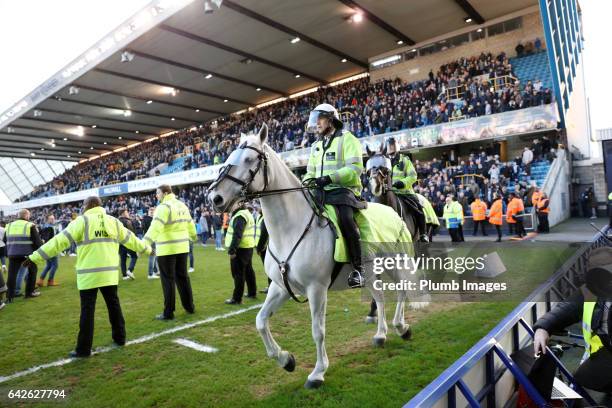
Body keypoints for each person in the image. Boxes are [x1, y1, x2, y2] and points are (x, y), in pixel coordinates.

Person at [23, 196, 151, 358]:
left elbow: (58, 242)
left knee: (87, 311)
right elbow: (131, 240)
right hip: (109, 274)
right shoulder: (113, 221)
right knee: (114, 307)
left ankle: (83, 349)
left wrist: (34, 257)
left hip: (88, 275)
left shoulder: (81, 221)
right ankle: (120, 338)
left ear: (86, 206)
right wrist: (147, 249)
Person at [303, 103, 366, 288]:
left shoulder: (348, 139)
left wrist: (329, 178)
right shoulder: (316, 145)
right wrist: (307, 182)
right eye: (316, 120)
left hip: (343, 191)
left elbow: (355, 169)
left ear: (331, 119)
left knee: (346, 219)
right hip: (320, 191)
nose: (317, 124)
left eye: (320, 119)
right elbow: (310, 172)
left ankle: (359, 269)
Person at [533, 247, 612, 393]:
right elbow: (566, 308)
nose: (599, 274)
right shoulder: (591, 289)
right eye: (594, 269)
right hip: (605, 354)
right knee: (581, 378)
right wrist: (543, 327)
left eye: (604, 267)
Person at [144, 184, 197, 321]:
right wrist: (194, 237)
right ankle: (189, 307)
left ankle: (168, 312)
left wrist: (144, 243)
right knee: (183, 278)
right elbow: (190, 224)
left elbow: (155, 227)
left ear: (165, 193)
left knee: (168, 280)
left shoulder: (163, 207)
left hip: (167, 249)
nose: (157, 195)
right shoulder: (182, 205)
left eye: (158, 193)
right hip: (182, 248)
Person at [387, 139, 428, 242]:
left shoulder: (405, 160)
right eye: (389, 146)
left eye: (392, 146)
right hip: (389, 193)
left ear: (396, 147)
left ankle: (423, 234)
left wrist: (403, 183)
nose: (391, 148)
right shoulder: (385, 162)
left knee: (419, 209)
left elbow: (413, 176)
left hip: (405, 193)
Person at [4, 208, 42, 302]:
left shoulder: (9, 226)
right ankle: (29, 292)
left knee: (12, 275)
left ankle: (9, 297)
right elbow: (37, 242)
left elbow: (5, 240)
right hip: (27, 254)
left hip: (12, 253)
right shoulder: (30, 225)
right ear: (26, 215)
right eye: (29, 215)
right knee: (32, 271)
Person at [224, 202, 257, 304]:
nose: (230, 206)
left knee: (238, 274)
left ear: (239, 205)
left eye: (232, 204)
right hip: (248, 247)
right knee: (248, 271)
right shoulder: (247, 213)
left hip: (240, 248)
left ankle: (237, 298)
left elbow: (237, 235)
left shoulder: (240, 216)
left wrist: (232, 250)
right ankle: (252, 292)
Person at [37, 214, 60, 286]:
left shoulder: (44, 226)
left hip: (46, 248)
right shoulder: (49, 228)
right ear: (47, 219)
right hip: (51, 248)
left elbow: (40, 236)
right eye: (51, 219)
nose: (53, 220)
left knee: (49, 265)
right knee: (55, 265)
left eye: (53, 218)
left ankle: (40, 280)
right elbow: (47, 238)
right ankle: (50, 281)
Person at [118, 209, 138, 281]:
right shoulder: (128, 221)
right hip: (128, 242)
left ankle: (124, 276)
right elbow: (132, 232)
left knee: (123, 259)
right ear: (123, 213)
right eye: (126, 212)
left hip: (120, 243)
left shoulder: (116, 221)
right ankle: (130, 270)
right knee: (134, 256)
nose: (128, 213)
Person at [255, 211, 271, 294]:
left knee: (269, 269)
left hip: (265, 247)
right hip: (264, 247)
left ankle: (271, 287)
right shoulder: (260, 217)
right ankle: (270, 286)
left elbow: (264, 234)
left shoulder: (265, 217)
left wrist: (259, 248)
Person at [142, 207, 158, 279]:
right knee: (152, 256)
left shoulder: (144, 219)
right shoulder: (152, 220)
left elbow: (143, 228)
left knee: (153, 256)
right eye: (152, 211)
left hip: (147, 239)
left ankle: (155, 271)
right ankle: (150, 274)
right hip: (152, 239)